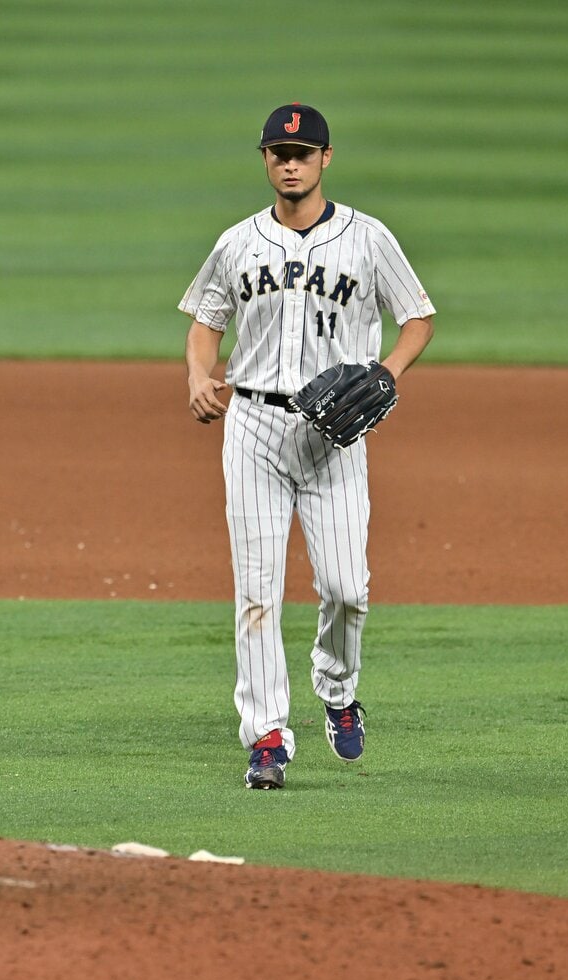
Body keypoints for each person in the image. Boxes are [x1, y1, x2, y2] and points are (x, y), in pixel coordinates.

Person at [179, 103, 436, 790]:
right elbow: (206, 321)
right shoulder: (238, 242)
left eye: (302, 153)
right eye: (279, 153)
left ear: (325, 158)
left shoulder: (368, 238)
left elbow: (417, 318)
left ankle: (338, 688)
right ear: (265, 160)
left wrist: (388, 372)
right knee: (257, 592)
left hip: (334, 436)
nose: (290, 164)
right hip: (253, 427)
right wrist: (199, 375)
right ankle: (266, 737)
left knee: (348, 590)